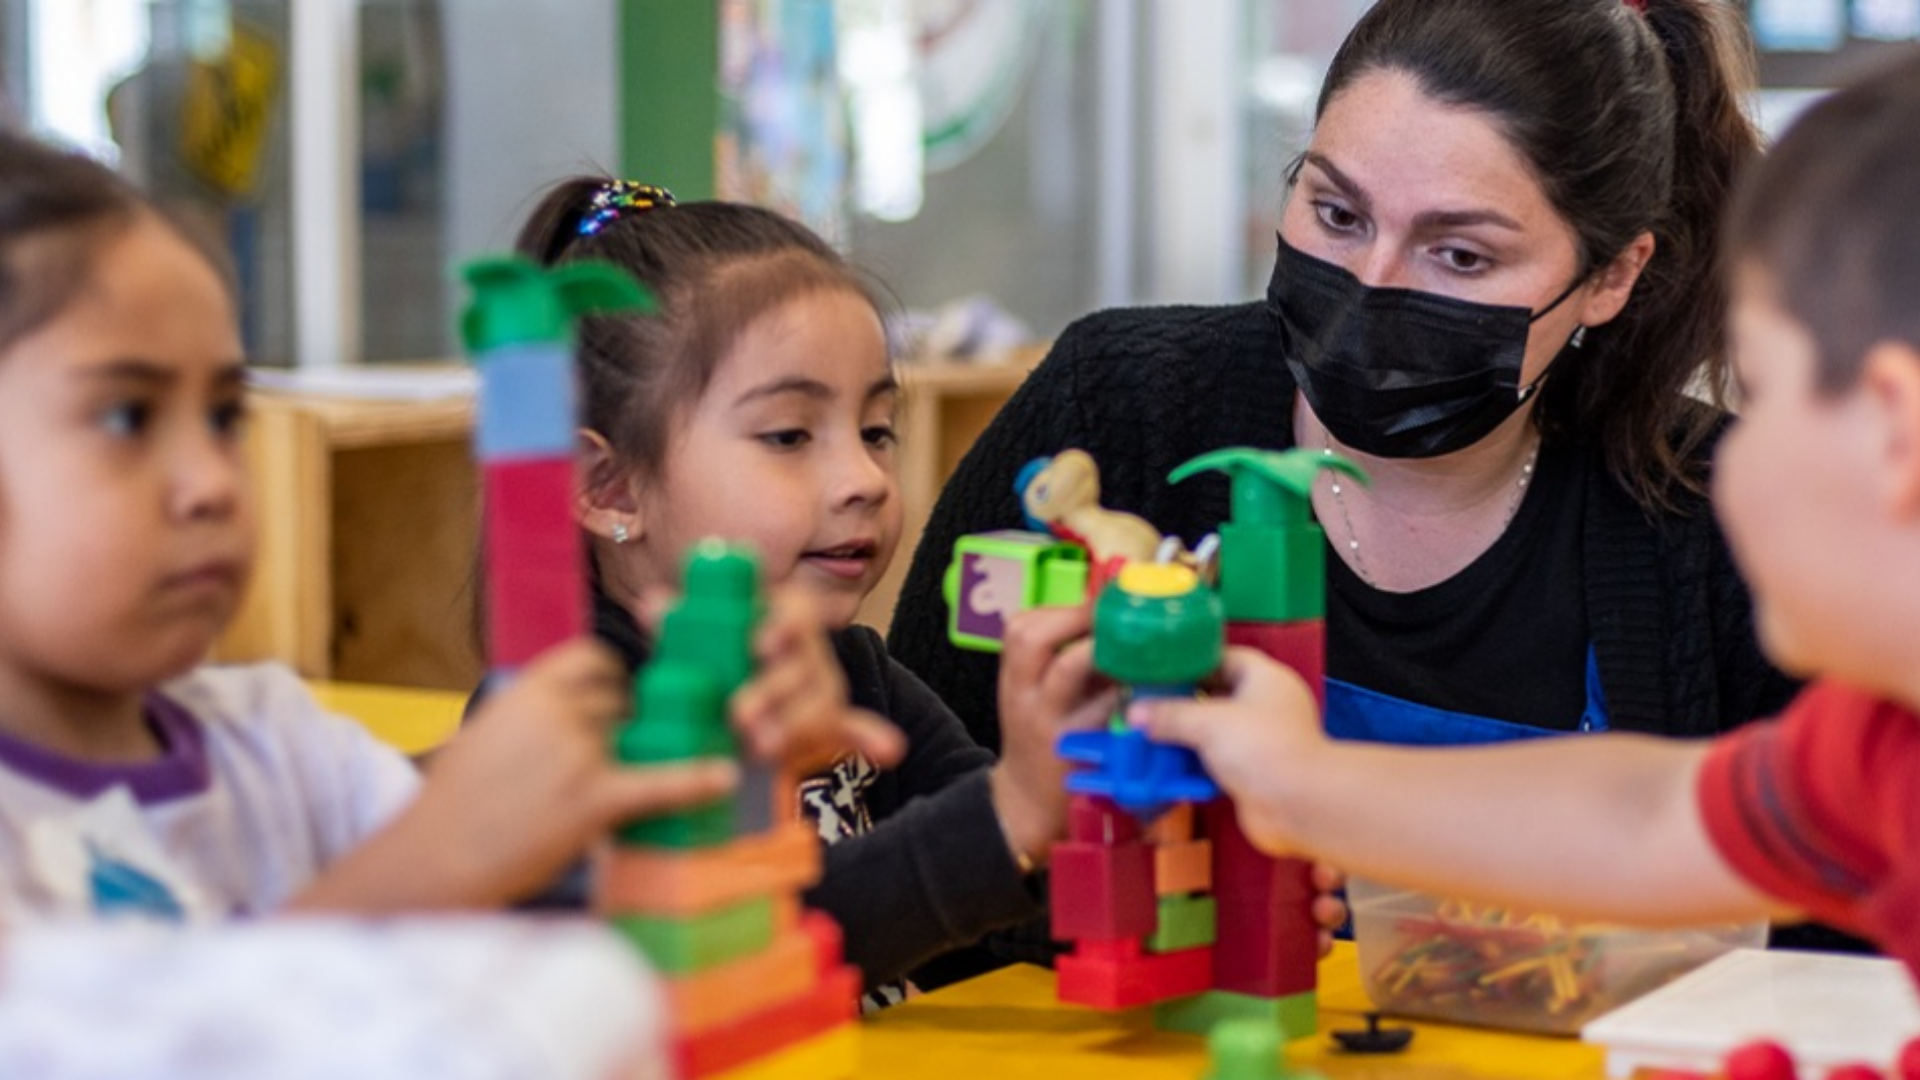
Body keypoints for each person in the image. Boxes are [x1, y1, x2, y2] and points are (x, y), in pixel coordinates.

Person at [1135, 52, 1920, 981]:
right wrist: (1301, 783)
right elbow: (1645, 819)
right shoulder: (1875, 752)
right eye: (1337, 214)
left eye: (1766, 388)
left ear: (1894, 431)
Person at [0, 132, 887, 921]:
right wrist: (438, 862)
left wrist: (703, 763)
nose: (209, 482)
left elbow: (478, 840)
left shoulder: (264, 743)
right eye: (125, 418)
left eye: (226, 418)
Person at [895, 0, 1790, 771]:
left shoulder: (1723, 513)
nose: (1370, 283)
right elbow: (912, 804)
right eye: (1337, 214)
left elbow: (1826, 936)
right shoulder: (1116, 405)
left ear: (1612, 276)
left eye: (1460, 254)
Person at [509, 178, 1145, 1009]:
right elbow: (723, 967)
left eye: (876, 431)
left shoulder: (858, 676)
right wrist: (1014, 810)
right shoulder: (560, 721)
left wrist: (1174, 864)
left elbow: (1014, 883)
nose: (865, 479)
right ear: (613, 490)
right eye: (788, 436)